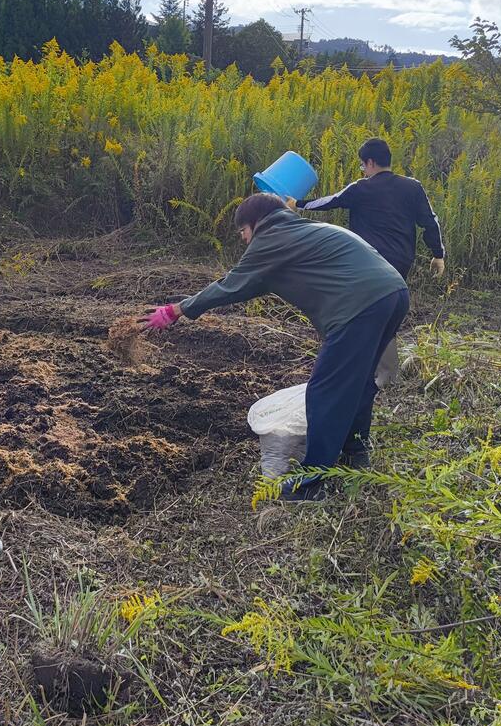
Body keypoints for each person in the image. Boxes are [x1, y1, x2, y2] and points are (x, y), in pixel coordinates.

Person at [140, 193, 408, 500]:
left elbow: (232, 283)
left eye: (242, 232)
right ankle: (355, 455)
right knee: (358, 384)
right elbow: (250, 284)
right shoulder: (301, 231)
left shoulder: (272, 237)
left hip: (359, 306)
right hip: (393, 293)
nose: (243, 240)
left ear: (255, 224)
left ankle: (310, 485)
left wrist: (178, 310)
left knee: (325, 392)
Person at [289, 138, 445, 390]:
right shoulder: (412, 187)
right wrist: (438, 254)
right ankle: (383, 373)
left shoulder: (362, 188)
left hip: (367, 262)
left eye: (363, 166)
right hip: (400, 262)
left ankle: (373, 372)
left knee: (358, 312)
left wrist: (297, 204)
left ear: (370, 162)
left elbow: (330, 201)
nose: (363, 170)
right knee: (384, 311)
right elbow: (430, 221)